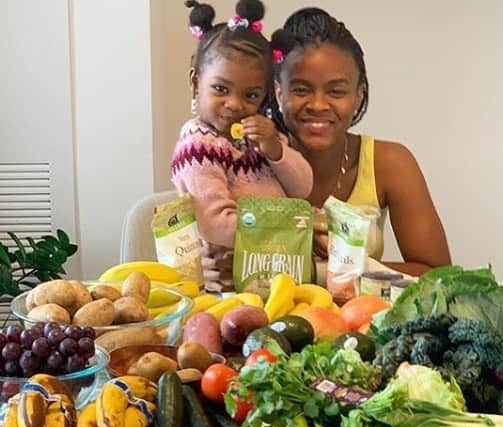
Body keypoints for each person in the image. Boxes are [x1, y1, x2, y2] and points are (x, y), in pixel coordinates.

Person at [271, 7, 451, 276]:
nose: (318, 104)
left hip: (363, 317)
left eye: (336, 91)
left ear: (358, 95)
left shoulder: (390, 163)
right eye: (301, 89)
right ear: (278, 91)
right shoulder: (250, 161)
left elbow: (438, 273)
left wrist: (341, 270)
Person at [171, 0, 313, 292]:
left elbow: (303, 187)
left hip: (275, 271)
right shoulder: (197, 146)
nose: (235, 105)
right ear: (195, 83)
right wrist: (289, 232)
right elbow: (215, 224)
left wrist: (275, 149)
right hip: (228, 283)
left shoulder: (260, 135)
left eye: (250, 95)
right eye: (221, 89)